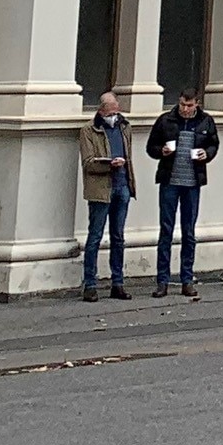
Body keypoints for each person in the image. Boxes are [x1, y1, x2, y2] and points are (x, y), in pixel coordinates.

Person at [148, 88, 218, 297]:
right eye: (182, 105)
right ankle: (163, 281)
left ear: (197, 104)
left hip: (192, 182)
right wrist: (162, 151)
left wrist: (207, 154)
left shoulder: (206, 121)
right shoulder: (166, 120)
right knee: (166, 230)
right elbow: (151, 147)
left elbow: (214, 144)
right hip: (170, 180)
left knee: (189, 232)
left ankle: (187, 279)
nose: (185, 109)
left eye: (189, 105)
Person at [78, 91, 134, 301]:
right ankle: (90, 284)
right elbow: (88, 162)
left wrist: (128, 180)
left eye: (116, 111)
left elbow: (130, 155)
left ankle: (117, 282)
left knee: (118, 237)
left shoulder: (124, 127)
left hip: (121, 187)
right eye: (110, 112)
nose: (114, 115)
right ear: (101, 111)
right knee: (95, 237)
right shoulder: (89, 131)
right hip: (101, 190)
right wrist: (109, 164)